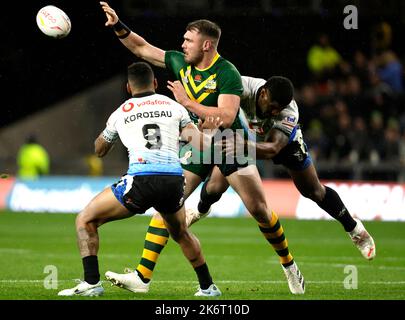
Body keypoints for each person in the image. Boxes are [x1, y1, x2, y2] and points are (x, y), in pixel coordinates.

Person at [100, 2, 305, 295]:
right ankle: (142, 277)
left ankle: (289, 266)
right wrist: (118, 24)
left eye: (188, 39)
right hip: (198, 143)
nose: (182, 44)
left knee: (259, 210)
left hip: (230, 144)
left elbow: (225, 117)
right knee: (169, 203)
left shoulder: (227, 73)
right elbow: (141, 48)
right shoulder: (179, 62)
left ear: (206, 45)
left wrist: (187, 103)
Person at [58, 62, 223, 297]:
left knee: (85, 220)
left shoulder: (121, 112)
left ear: (128, 87)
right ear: (155, 83)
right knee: (181, 233)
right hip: (173, 181)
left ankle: (92, 283)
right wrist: (209, 133)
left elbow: (99, 150)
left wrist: (107, 135)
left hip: (141, 181)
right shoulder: (173, 107)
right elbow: (200, 144)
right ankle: (208, 287)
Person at [195, 75, 376, 261]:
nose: (275, 112)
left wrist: (242, 145)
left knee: (314, 191)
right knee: (215, 186)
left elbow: (273, 149)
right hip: (246, 135)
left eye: (279, 109)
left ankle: (354, 229)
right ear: (263, 93)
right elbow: (210, 93)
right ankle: (200, 210)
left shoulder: (289, 112)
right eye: (273, 106)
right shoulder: (241, 86)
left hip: (282, 144)